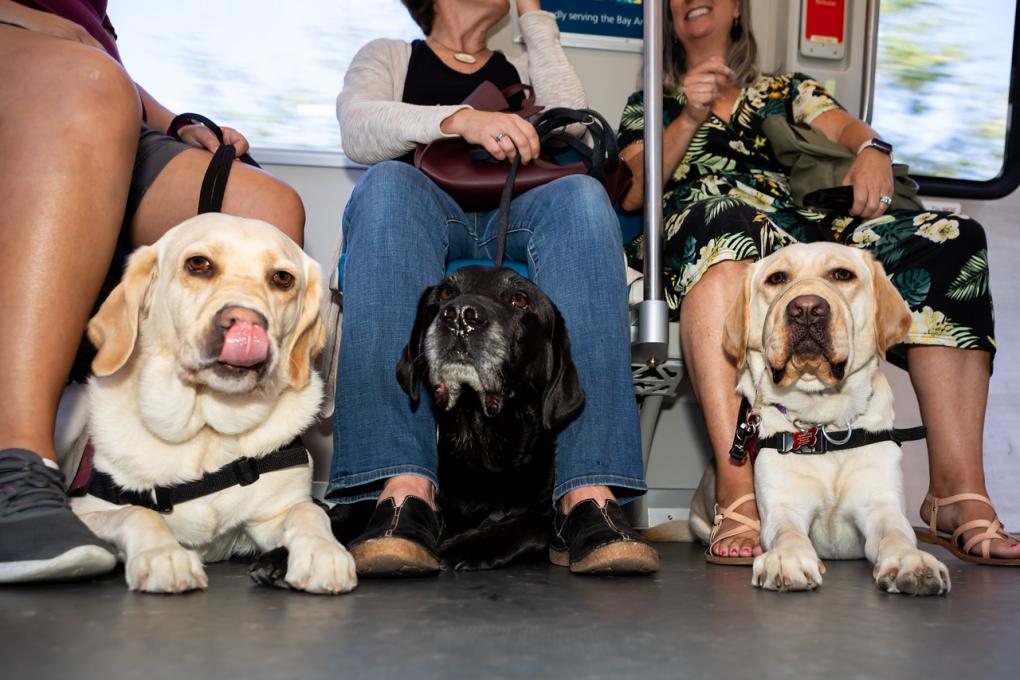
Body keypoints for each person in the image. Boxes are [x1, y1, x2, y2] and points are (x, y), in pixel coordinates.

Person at [617, 0, 1017, 565]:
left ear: (737, 10)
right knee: (724, 219)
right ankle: (741, 496)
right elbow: (634, 192)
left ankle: (954, 493)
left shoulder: (786, 90)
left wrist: (872, 150)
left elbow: (852, 132)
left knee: (954, 239)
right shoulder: (651, 106)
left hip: (804, 231)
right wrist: (687, 117)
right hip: (705, 226)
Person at [331, 0, 659, 576]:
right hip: (430, 207)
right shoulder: (389, 56)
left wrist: (534, 17)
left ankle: (586, 499)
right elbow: (359, 129)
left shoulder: (518, 62)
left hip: (523, 208)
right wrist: (461, 120)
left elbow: (577, 125)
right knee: (385, 185)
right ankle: (403, 493)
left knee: (585, 198)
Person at [0, 0, 306, 583]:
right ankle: (17, 465)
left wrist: (170, 120)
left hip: (104, 97)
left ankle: (172, 473)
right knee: (90, 84)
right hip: (58, 80)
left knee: (269, 207)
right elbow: (82, 54)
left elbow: (94, 47)